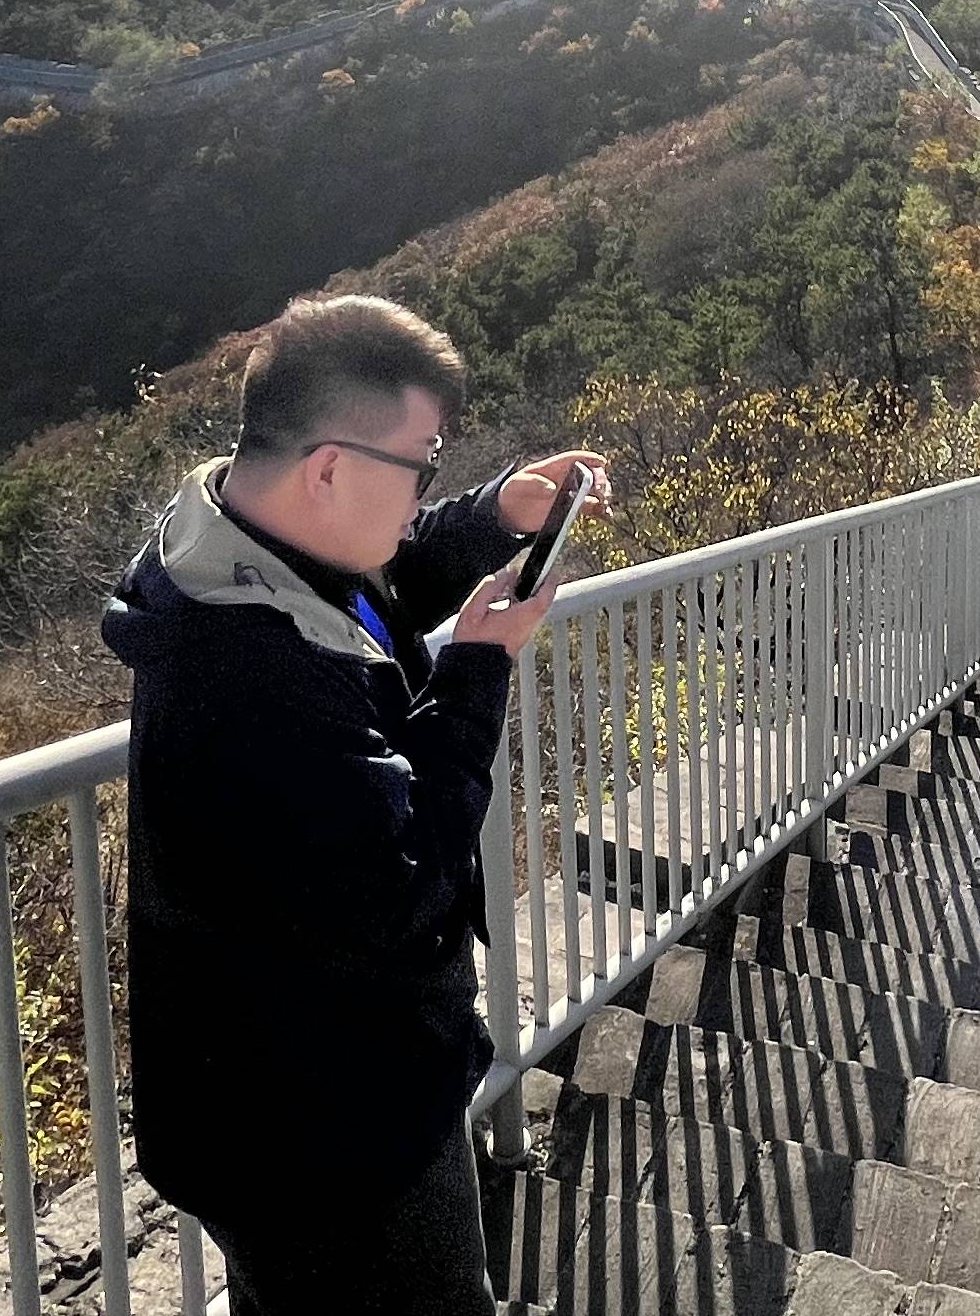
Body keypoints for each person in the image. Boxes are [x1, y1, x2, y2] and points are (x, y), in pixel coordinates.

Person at [98, 295, 612, 1316]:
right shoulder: (249, 681)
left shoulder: (235, 547)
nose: (425, 487)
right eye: (421, 463)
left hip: (257, 1100)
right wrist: (475, 672)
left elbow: (376, 587)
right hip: (329, 1136)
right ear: (329, 468)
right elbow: (407, 883)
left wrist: (494, 512)